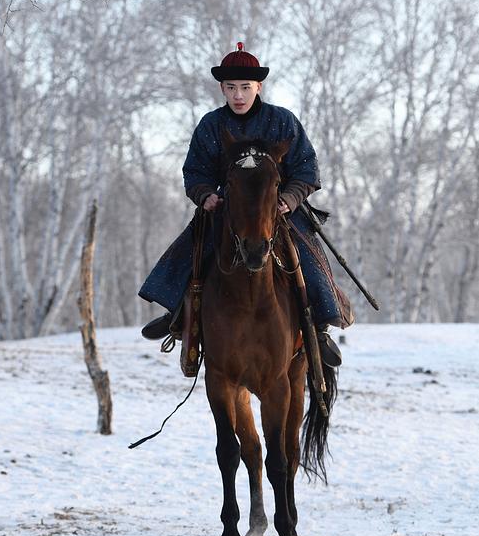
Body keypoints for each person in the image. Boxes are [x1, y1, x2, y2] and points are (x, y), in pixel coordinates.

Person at [137, 42, 353, 366]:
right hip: (228, 209)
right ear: (223, 88)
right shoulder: (211, 126)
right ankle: (177, 314)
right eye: (231, 88)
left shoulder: (282, 122)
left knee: (308, 253)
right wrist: (205, 195)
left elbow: (307, 169)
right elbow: (195, 171)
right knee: (190, 246)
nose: (238, 95)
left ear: (258, 87)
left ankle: (319, 327)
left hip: (278, 209)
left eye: (245, 87)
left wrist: (290, 199)